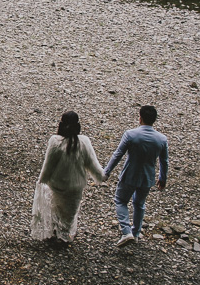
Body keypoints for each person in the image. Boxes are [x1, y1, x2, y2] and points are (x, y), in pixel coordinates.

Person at [30, 111, 106, 243]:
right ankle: (64, 235)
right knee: (69, 213)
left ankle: (55, 232)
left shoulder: (55, 142)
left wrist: (41, 180)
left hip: (57, 184)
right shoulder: (84, 142)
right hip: (75, 186)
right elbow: (92, 164)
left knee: (56, 208)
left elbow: (48, 165)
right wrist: (102, 176)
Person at [102, 105, 169, 247]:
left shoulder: (130, 135)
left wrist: (107, 172)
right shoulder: (162, 139)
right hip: (147, 178)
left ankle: (126, 232)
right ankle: (136, 233)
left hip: (129, 175)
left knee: (120, 201)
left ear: (140, 118)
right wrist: (162, 178)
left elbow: (118, 154)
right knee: (139, 204)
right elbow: (164, 161)